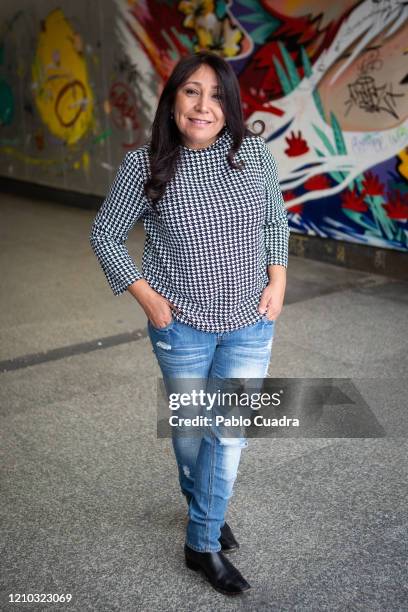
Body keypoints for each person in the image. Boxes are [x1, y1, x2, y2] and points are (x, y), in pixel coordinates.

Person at [90, 50, 289, 596]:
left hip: (250, 321)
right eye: (192, 92)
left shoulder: (253, 155)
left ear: (230, 106)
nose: (204, 106)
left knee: (227, 435)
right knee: (188, 436)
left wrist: (277, 282)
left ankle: (200, 541)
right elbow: (105, 236)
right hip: (180, 326)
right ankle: (204, 504)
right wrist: (149, 301)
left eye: (217, 95)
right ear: (173, 98)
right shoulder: (145, 165)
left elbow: (276, 220)